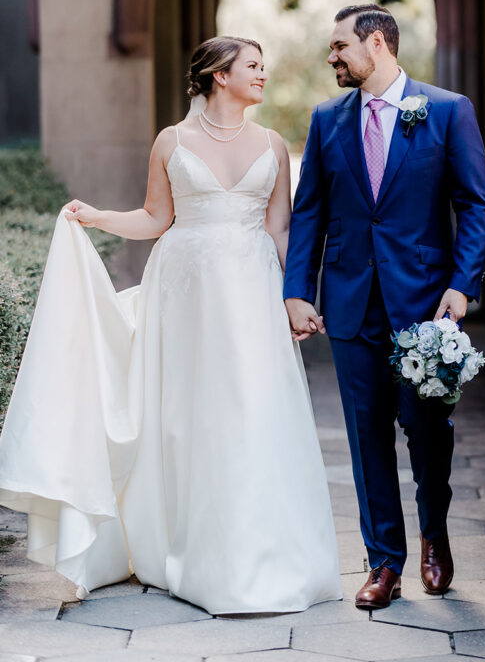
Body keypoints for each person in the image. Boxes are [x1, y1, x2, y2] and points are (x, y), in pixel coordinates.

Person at [0, 36, 341, 615]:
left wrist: (296, 298)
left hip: (253, 291)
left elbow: (282, 232)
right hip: (184, 293)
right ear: (217, 74)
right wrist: (96, 217)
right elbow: (157, 217)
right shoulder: (171, 141)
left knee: (255, 410)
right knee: (187, 417)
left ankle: (260, 554)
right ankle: (180, 548)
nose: (263, 74)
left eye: (263, 66)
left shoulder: (274, 145)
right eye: (252, 66)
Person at [284, 5, 485, 610]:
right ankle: (383, 562)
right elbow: (309, 214)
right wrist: (298, 291)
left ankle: (434, 535)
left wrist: (462, 284)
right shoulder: (327, 121)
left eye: (340, 45)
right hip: (350, 307)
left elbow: (474, 203)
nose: (332, 57)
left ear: (377, 44)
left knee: (428, 431)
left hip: (426, 306)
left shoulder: (448, 110)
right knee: (365, 433)